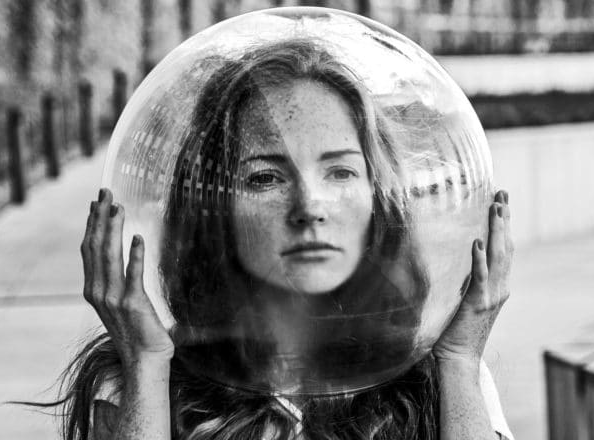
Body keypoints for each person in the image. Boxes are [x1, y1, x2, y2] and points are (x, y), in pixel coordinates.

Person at [61, 40, 514, 440]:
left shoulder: (440, 375)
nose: (310, 206)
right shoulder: (142, 377)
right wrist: (145, 365)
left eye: (340, 172)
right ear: (213, 211)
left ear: (379, 200)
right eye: (265, 178)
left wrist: (457, 363)